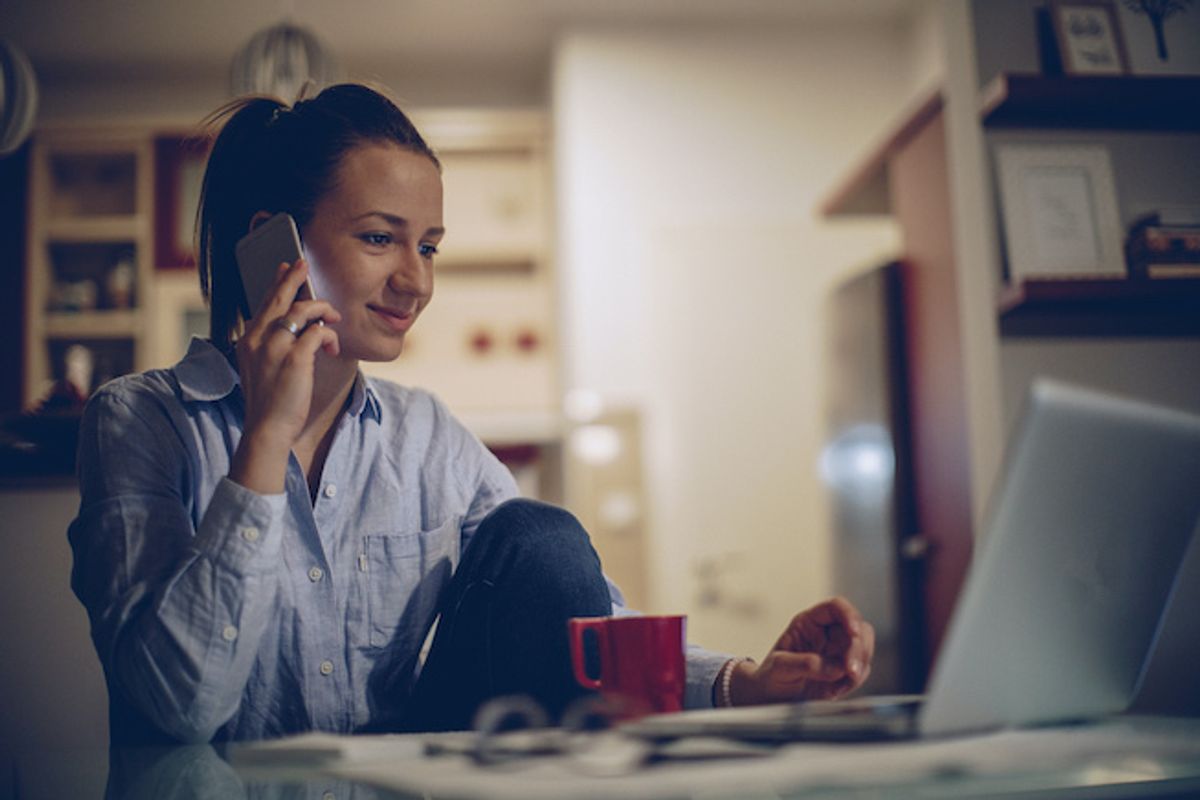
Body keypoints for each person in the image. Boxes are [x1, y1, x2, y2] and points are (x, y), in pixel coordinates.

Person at [67, 83, 875, 746]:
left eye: (430, 247)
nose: (416, 281)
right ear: (276, 248)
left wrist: (743, 683)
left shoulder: (427, 440)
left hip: (399, 785)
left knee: (543, 538)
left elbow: (581, 613)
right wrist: (267, 437)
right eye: (382, 238)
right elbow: (181, 705)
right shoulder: (140, 423)